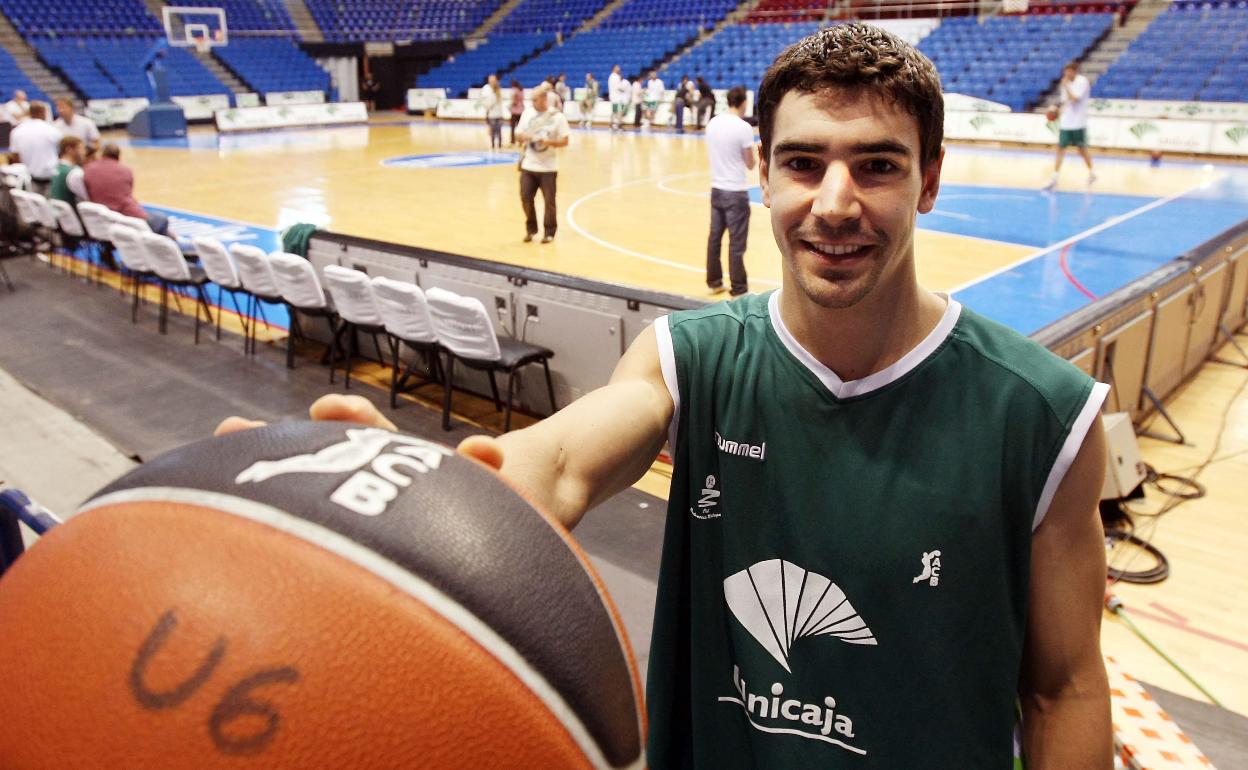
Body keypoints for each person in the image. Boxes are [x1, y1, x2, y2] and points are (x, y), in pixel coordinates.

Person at [229, 23, 1111, 769]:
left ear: (930, 178)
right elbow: (561, 464)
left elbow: (1064, 685)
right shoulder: (688, 359)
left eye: (876, 166)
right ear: (763, 173)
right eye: (805, 164)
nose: (835, 203)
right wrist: (419, 505)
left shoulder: (1043, 413)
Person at [704, 86, 755, 297]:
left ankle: (714, 281)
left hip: (716, 189)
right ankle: (739, 288)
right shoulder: (743, 128)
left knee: (714, 238)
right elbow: (750, 163)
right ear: (743, 102)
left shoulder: (712, 123)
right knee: (736, 242)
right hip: (735, 191)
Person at [515, 83, 570, 244]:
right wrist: (523, 137)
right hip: (528, 165)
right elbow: (518, 134)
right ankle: (531, 229)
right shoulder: (527, 113)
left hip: (548, 167)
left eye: (535, 99)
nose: (532, 102)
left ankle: (549, 232)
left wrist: (548, 142)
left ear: (544, 99)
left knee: (549, 202)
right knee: (525, 198)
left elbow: (565, 140)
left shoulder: (557, 117)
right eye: (531, 99)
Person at [83, 143, 169, 235]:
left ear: (102, 154)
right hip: (126, 217)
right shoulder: (125, 170)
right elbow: (128, 194)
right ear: (118, 156)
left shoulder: (87, 169)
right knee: (161, 219)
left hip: (102, 218)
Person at [1045, 61, 1095, 190]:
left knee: (1081, 150)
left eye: (1069, 71)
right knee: (1060, 149)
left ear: (1074, 71)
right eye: (1065, 72)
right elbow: (1065, 101)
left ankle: (1091, 173)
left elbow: (1074, 99)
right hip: (1066, 123)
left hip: (1078, 122)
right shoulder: (1066, 83)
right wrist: (1055, 109)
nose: (1066, 74)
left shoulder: (1082, 82)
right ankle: (1054, 178)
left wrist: (1066, 86)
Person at [8, 102, 62, 196]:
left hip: (28, 178)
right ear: (43, 112)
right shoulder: (53, 130)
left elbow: (15, 156)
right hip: (49, 178)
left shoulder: (17, 131)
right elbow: (61, 153)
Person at [49, 136, 88, 207]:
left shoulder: (56, 168)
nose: (84, 152)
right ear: (69, 150)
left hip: (59, 214)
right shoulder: (75, 173)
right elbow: (86, 198)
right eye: (81, 148)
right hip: (75, 214)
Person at [479, 74, 505, 150]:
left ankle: (499, 145)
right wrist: (487, 108)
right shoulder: (486, 89)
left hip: (498, 114)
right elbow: (485, 101)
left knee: (498, 131)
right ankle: (493, 145)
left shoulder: (498, 89)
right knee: (492, 131)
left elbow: (499, 102)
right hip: (491, 114)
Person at [609, 67, 629, 131]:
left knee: (614, 111)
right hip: (617, 97)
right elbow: (619, 87)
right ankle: (618, 125)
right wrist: (624, 89)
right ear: (614, 69)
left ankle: (612, 125)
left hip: (613, 97)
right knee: (618, 112)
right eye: (618, 68)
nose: (619, 69)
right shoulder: (616, 77)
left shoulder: (611, 76)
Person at [508, 79, 525, 145]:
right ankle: (520, 141)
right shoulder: (521, 90)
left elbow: (513, 101)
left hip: (514, 111)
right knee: (520, 127)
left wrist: (510, 106)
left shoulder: (514, 90)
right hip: (521, 110)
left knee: (513, 127)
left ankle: (513, 141)